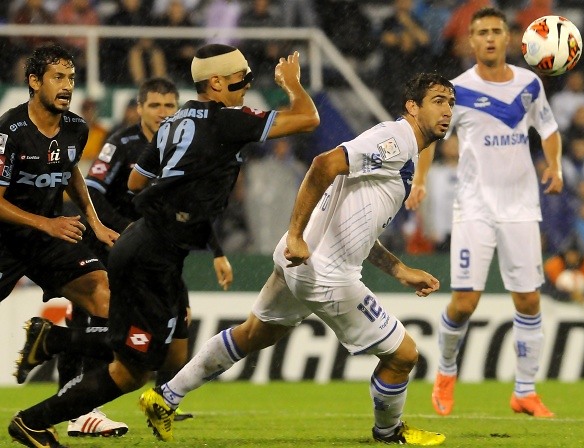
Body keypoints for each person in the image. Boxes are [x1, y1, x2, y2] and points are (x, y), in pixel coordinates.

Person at [8, 43, 319, 448]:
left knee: (167, 355)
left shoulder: (176, 121)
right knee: (132, 368)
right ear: (217, 82)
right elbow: (308, 118)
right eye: (241, 79)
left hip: (153, 247)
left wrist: (181, 189)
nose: (246, 87)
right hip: (152, 254)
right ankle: (33, 416)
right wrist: (293, 85)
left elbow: (137, 181)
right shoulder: (227, 121)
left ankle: (53, 341)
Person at [139, 72, 454, 445]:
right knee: (403, 356)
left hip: (300, 264)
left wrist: (399, 269)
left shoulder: (401, 152)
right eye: (438, 100)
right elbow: (323, 164)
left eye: (451, 102)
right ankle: (389, 432)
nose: (447, 110)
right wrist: (295, 234)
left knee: (253, 333)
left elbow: (355, 226)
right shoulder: (395, 139)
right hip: (326, 275)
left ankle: (165, 397)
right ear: (412, 107)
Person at [406, 7, 563, 418]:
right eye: (482, 32)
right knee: (465, 301)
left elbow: (548, 129)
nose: (490, 38)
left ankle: (525, 391)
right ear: (470, 41)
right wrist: (420, 180)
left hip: (521, 206)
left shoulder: (530, 84)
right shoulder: (456, 90)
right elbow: (431, 135)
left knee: (529, 300)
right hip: (474, 206)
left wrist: (556, 166)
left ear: (509, 38)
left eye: (496, 31)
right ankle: (444, 372)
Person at [0, 44, 123, 445]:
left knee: (107, 298)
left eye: (70, 78)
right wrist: (47, 223)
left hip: (49, 239)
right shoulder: (9, 132)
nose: (67, 85)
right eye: (57, 77)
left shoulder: (75, 127)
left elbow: (70, 170)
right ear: (34, 82)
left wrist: (94, 221)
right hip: (7, 239)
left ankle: (74, 405)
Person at [60, 77, 199, 424]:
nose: (162, 113)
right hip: (107, 244)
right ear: (139, 108)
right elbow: (92, 192)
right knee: (91, 317)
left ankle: (162, 401)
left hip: (154, 250)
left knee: (173, 318)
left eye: (169, 106)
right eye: (154, 105)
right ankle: (78, 403)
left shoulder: (182, 146)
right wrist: (126, 230)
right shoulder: (121, 143)